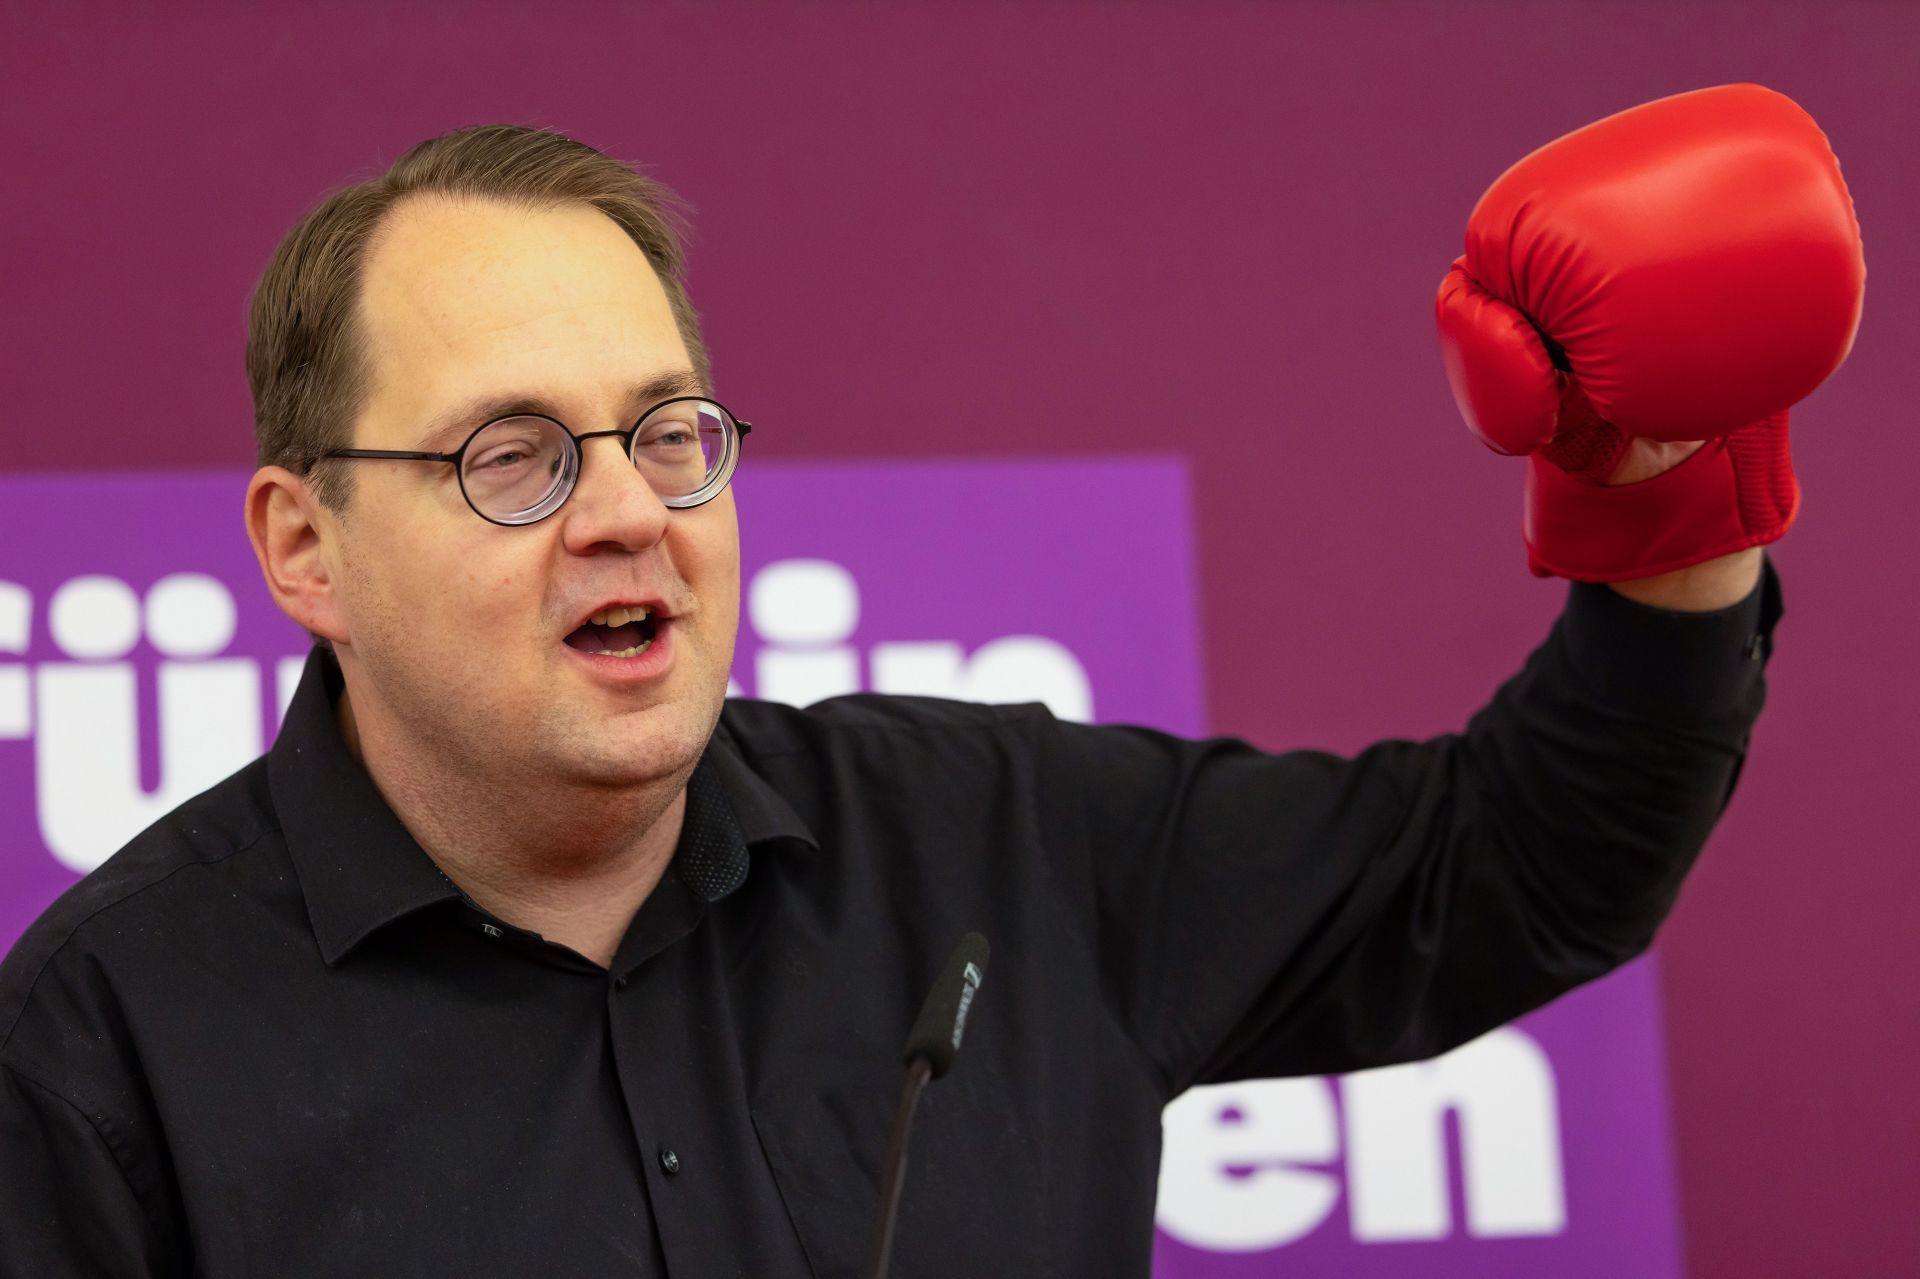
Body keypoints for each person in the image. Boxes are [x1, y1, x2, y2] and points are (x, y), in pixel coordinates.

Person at [0, 84, 1860, 1276]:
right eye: (516, 457)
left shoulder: (993, 838)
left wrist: (1662, 489)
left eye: (668, 432)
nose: (629, 515)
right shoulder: (104, 1047)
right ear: (302, 545)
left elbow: (1518, 871)